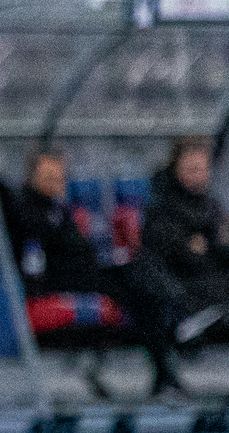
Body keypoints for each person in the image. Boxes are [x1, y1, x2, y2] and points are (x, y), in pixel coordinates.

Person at [11, 145, 185, 397]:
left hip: (83, 273)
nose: (55, 182)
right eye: (48, 177)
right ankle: (166, 367)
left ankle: (166, 360)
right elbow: (36, 264)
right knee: (136, 291)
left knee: (138, 281)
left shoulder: (58, 208)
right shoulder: (29, 213)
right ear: (33, 177)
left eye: (58, 177)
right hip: (63, 281)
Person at [138, 136, 229, 366]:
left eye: (201, 169)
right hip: (182, 294)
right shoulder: (162, 205)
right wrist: (196, 246)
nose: (196, 174)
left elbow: (213, 250)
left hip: (212, 289)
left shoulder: (211, 206)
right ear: (176, 167)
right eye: (190, 168)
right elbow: (167, 254)